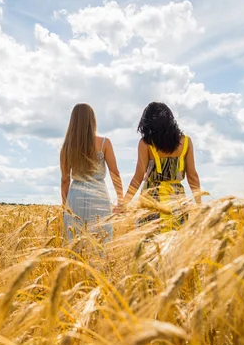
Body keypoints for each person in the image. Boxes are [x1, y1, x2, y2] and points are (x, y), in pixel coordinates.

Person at [116, 102, 201, 232]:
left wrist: (124, 204)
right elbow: (192, 176)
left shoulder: (145, 143)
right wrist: (199, 205)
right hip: (177, 199)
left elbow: (138, 177)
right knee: (176, 240)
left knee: (150, 242)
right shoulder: (186, 142)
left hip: (151, 200)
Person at [61, 103, 123, 242]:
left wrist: (65, 208)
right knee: (101, 239)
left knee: (75, 241)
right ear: (92, 120)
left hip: (75, 196)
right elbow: (115, 173)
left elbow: (65, 180)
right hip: (99, 195)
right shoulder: (104, 143)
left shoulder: (67, 146)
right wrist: (120, 200)